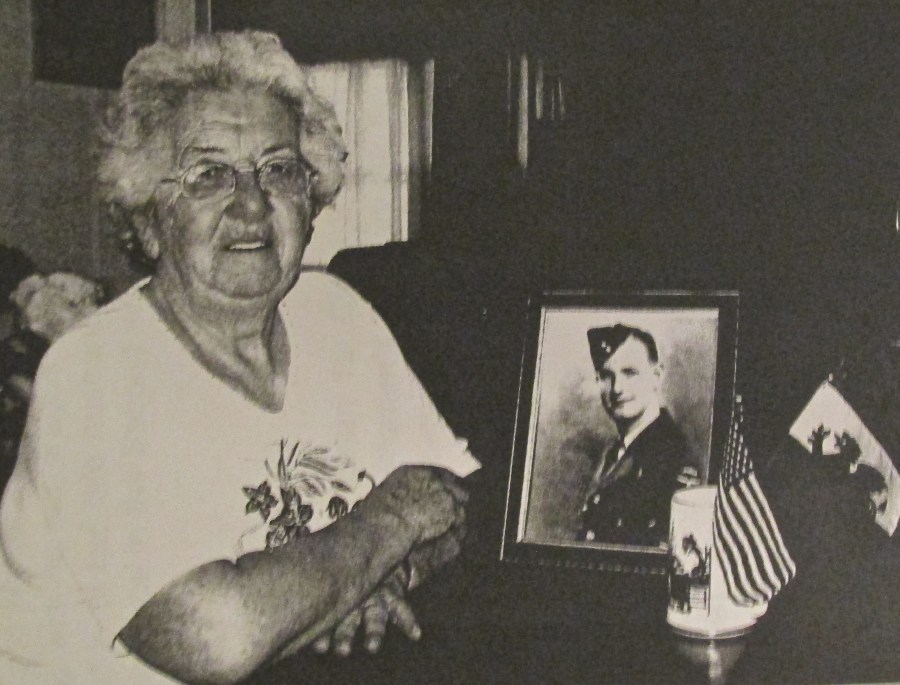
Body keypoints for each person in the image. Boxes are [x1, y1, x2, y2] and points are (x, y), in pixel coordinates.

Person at [0, 31, 479, 685]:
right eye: (209, 175)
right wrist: (389, 522)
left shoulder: (336, 314)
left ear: (310, 202)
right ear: (147, 218)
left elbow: (455, 498)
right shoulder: (94, 376)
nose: (251, 204)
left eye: (279, 170)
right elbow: (214, 636)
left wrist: (385, 573)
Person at [577, 324, 696, 546]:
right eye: (606, 376)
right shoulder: (614, 452)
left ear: (657, 376)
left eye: (629, 373)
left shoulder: (673, 455)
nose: (617, 389)